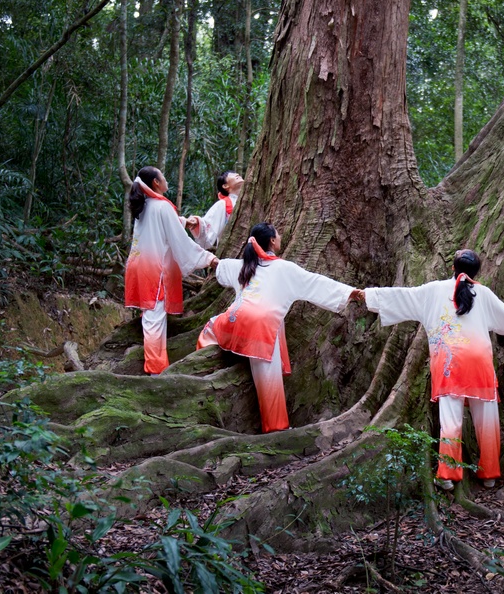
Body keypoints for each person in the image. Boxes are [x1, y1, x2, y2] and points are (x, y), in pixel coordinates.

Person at [358, 250, 504, 490]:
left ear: (453, 267)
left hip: (449, 363)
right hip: (480, 364)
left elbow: (402, 296)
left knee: (451, 421)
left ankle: (448, 475)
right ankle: (490, 474)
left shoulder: (433, 290)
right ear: (476, 272)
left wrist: (368, 296)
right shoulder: (483, 293)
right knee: (487, 419)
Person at [197, 223, 360, 433]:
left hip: (233, 321)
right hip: (261, 329)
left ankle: (201, 373)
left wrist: (210, 260)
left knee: (209, 329)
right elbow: (316, 283)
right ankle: (275, 428)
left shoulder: (245, 264)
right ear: (272, 241)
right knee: (269, 381)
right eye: (278, 234)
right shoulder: (284, 268)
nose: (281, 236)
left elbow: (220, 266)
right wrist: (349, 292)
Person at [125, 166, 218, 375]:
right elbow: (179, 240)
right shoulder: (161, 206)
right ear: (156, 183)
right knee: (154, 320)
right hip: (153, 270)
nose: (166, 179)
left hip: (140, 265)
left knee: (150, 316)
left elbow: (165, 227)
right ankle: (156, 372)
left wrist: (185, 221)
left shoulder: (145, 205)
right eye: (163, 176)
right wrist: (208, 258)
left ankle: (155, 368)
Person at [186, 170, 244, 249]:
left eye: (237, 173)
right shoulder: (222, 204)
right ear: (225, 185)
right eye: (232, 174)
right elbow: (207, 230)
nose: (237, 174)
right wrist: (197, 222)